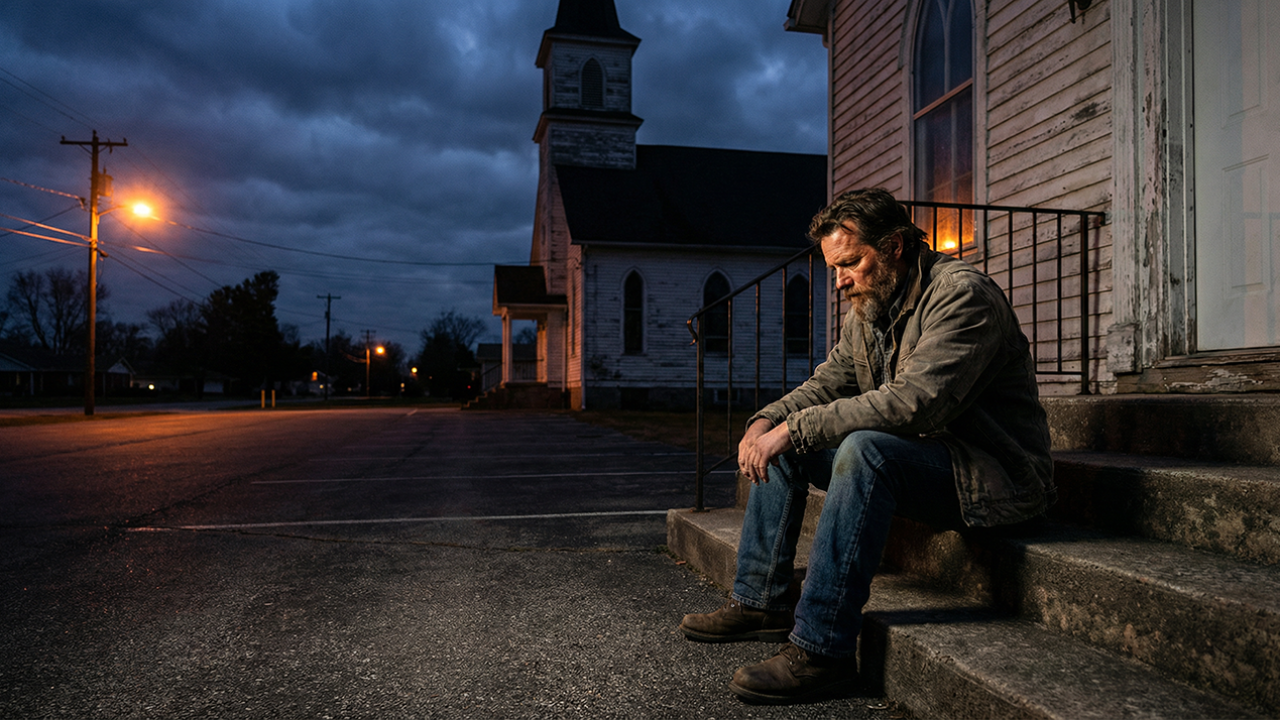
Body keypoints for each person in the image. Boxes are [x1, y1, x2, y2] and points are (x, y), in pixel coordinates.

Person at [679, 188, 1055, 705]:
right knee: (795, 441)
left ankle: (823, 652)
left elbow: (917, 404)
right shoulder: (870, 307)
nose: (841, 281)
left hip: (992, 476)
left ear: (896, 246)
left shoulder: (962, 295)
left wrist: (797, 428)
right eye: (835, 267)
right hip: (924, 459)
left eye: (851, 262)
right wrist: (766, 421)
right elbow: (829, 382)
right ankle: (761, 601)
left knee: (862, 448)